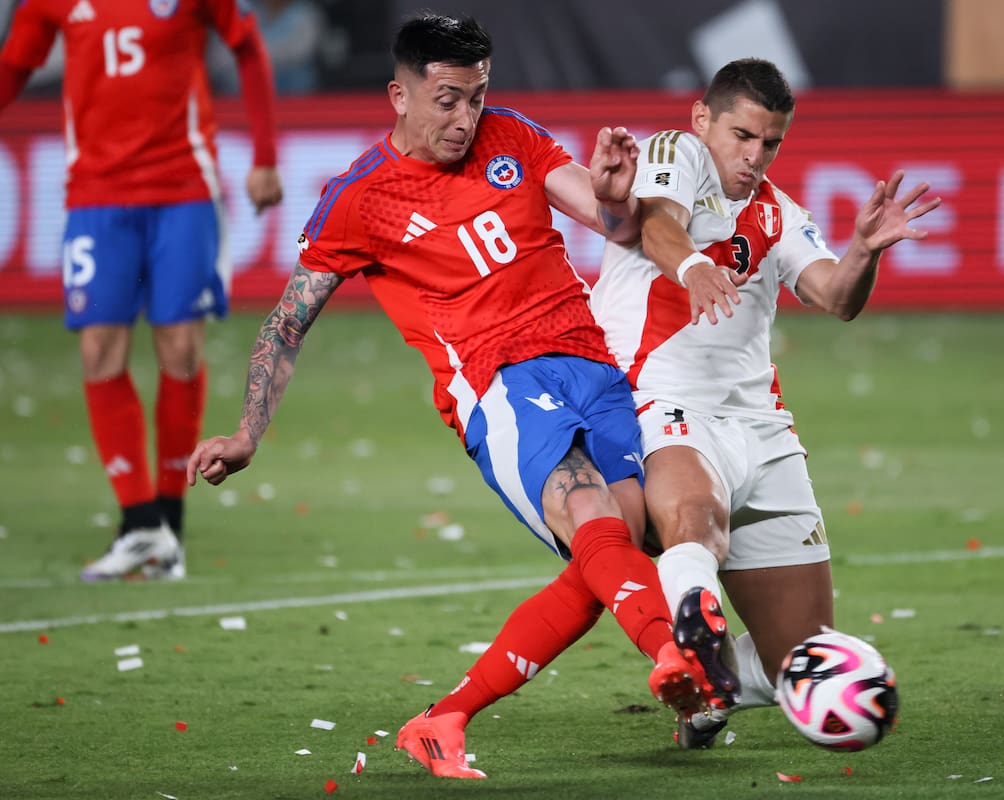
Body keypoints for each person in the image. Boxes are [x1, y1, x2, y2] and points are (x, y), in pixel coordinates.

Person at [186, 13, 717, 779]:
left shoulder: (514, 137)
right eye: (447, 100)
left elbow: (611, 223)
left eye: (476, 97)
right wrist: (247, 432)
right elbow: (289, 321)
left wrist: (609, 197)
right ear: (398, 95)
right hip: (498, 383)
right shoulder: (359, 197)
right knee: (590, 515)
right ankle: (676, 658)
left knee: (614, 555)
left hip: (591, 367)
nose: (465, 118)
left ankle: (442, 719)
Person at [589, 58, 940, 747]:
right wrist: (693, 266)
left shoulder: (781, 214)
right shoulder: (675, 153)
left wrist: (864, 251)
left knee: (798, 659)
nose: (753, 156)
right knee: (696, 512)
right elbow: (657, 222)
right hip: (660, 403)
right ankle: (695, 621)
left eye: (769, 143)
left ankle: (709, 686)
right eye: (742, 136)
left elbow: (836, 298)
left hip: (763, 429)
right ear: (702, 120)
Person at [0, 0, 283, 580]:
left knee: (179, 348)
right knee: (99, 351)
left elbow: (248, 45)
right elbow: (14, 65)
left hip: (183, 191)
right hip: (96, 197)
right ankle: (137, 524)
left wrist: (265, 157)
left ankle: (169, 527)